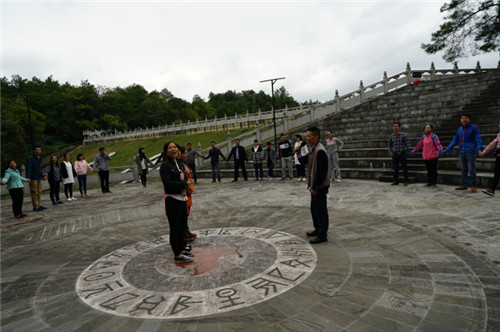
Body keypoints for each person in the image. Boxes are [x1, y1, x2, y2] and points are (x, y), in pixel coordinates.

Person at [160, 141, 194, 263]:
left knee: (181, 227)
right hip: (172, 200)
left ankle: (182, 249)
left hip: (183, 199)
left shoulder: (179, 164)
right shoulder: (165, 166)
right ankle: (177, 254)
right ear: (166, 152)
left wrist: (187, 184)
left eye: (175, 147)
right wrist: (184, 184)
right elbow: (167, 183)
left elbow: (184, 178)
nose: (173, 149)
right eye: (170, 148)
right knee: (174, 228)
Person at [445, 114, 483, 192]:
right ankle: (464, 185)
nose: (464, 120)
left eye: (466, 118)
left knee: (471, 169)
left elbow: (478, 138)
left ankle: (473, 186)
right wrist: (448, 149)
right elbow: (455, 140)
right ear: (460, 120)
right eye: (462, 118)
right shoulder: (459, 129)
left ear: (469, 120)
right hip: (461, 151)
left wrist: (480, 149)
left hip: (470, 151)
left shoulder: (474, 128)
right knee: (463, 169)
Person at [305, 126, 330, 244]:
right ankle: (317, 228)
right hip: (314, 186)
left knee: (321, 210)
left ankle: (322, 234)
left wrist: (315, 186)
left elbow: (321, 171)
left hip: (320, 187)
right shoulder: (313, 148)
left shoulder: (320, 150)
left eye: (309, 136)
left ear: (316, 137)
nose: (307, 138)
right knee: (314, 208)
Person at [179, 146, 197, 242]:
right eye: (184, 153)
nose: (186, 155)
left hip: (188, 192)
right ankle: (184, 232)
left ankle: (187, 231)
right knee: (185, 214)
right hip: (185, 192)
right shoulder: (180, 165)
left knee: (187, 212)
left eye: (186, 153)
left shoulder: (185, 164)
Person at [478, 120, 500, 196]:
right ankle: (492, 190)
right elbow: (492, 144)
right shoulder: (499, 135)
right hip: (499, 158)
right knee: (496, 174)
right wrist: (483, 152)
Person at [26, 145, 47, 211]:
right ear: (34, 150)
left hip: (38, 177)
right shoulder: (30, 158)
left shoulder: (39, 158)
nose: (38, 151)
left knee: (39, 191)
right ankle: (35, 206)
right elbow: (28, 168)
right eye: (37, 149)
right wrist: (28, 177)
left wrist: (42, 176)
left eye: (39, 149)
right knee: (34, 192)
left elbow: (39, 169)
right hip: (32, 178)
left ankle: (38, 204)